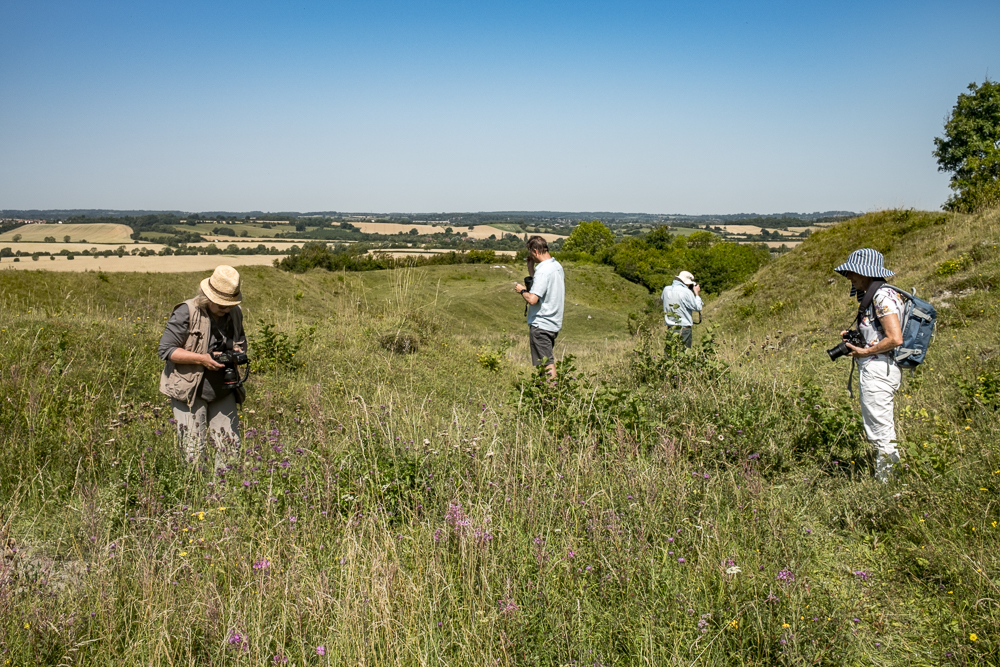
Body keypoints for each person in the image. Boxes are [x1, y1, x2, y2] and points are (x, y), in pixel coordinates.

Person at [159, 265, 247, 468]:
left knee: (230, 448)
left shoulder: (235, 313)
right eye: (221, 305)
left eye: (229, 304)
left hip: (223, 389)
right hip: (190, 390)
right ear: (208, 297)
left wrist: (236, 352)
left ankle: (222, 496)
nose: (226, 309)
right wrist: (202, 359)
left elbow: (241, 342)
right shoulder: (187, 311)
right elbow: (166, 350)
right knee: (193, 452)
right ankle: (194, 496)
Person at [834, 248, 904, 483]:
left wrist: (865, 351)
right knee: (880, 428)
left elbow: (895, 338)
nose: (850, 278)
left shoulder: (881, 296)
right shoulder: (887, 294)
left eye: (853, 273)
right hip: (882, 366)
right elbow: (882, 334)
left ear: (867, 273)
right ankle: (888, 477)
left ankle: (889, 483)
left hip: (878, 370)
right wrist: (858, 339)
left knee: (881, 431)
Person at [514, 236, 565, 379]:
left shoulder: (543, 271)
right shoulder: (556, 266)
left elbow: (533, 299)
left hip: (541, 323)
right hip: (553, 321)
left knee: (547, 362)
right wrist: (531, 269)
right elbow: (541, 287)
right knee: (544, 361)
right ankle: (545, 392)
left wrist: (522, 291)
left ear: (535, 251)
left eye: (531, 254)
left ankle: (552, 395)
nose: (531, 257)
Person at [661, 270, 703, 348]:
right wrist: (696, 293)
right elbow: (698, 307)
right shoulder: (686, 292)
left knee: (670, 354)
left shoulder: (666, 289)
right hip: (683, 329)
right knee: (684, 356)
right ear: (688, 283)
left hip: (670, 328)